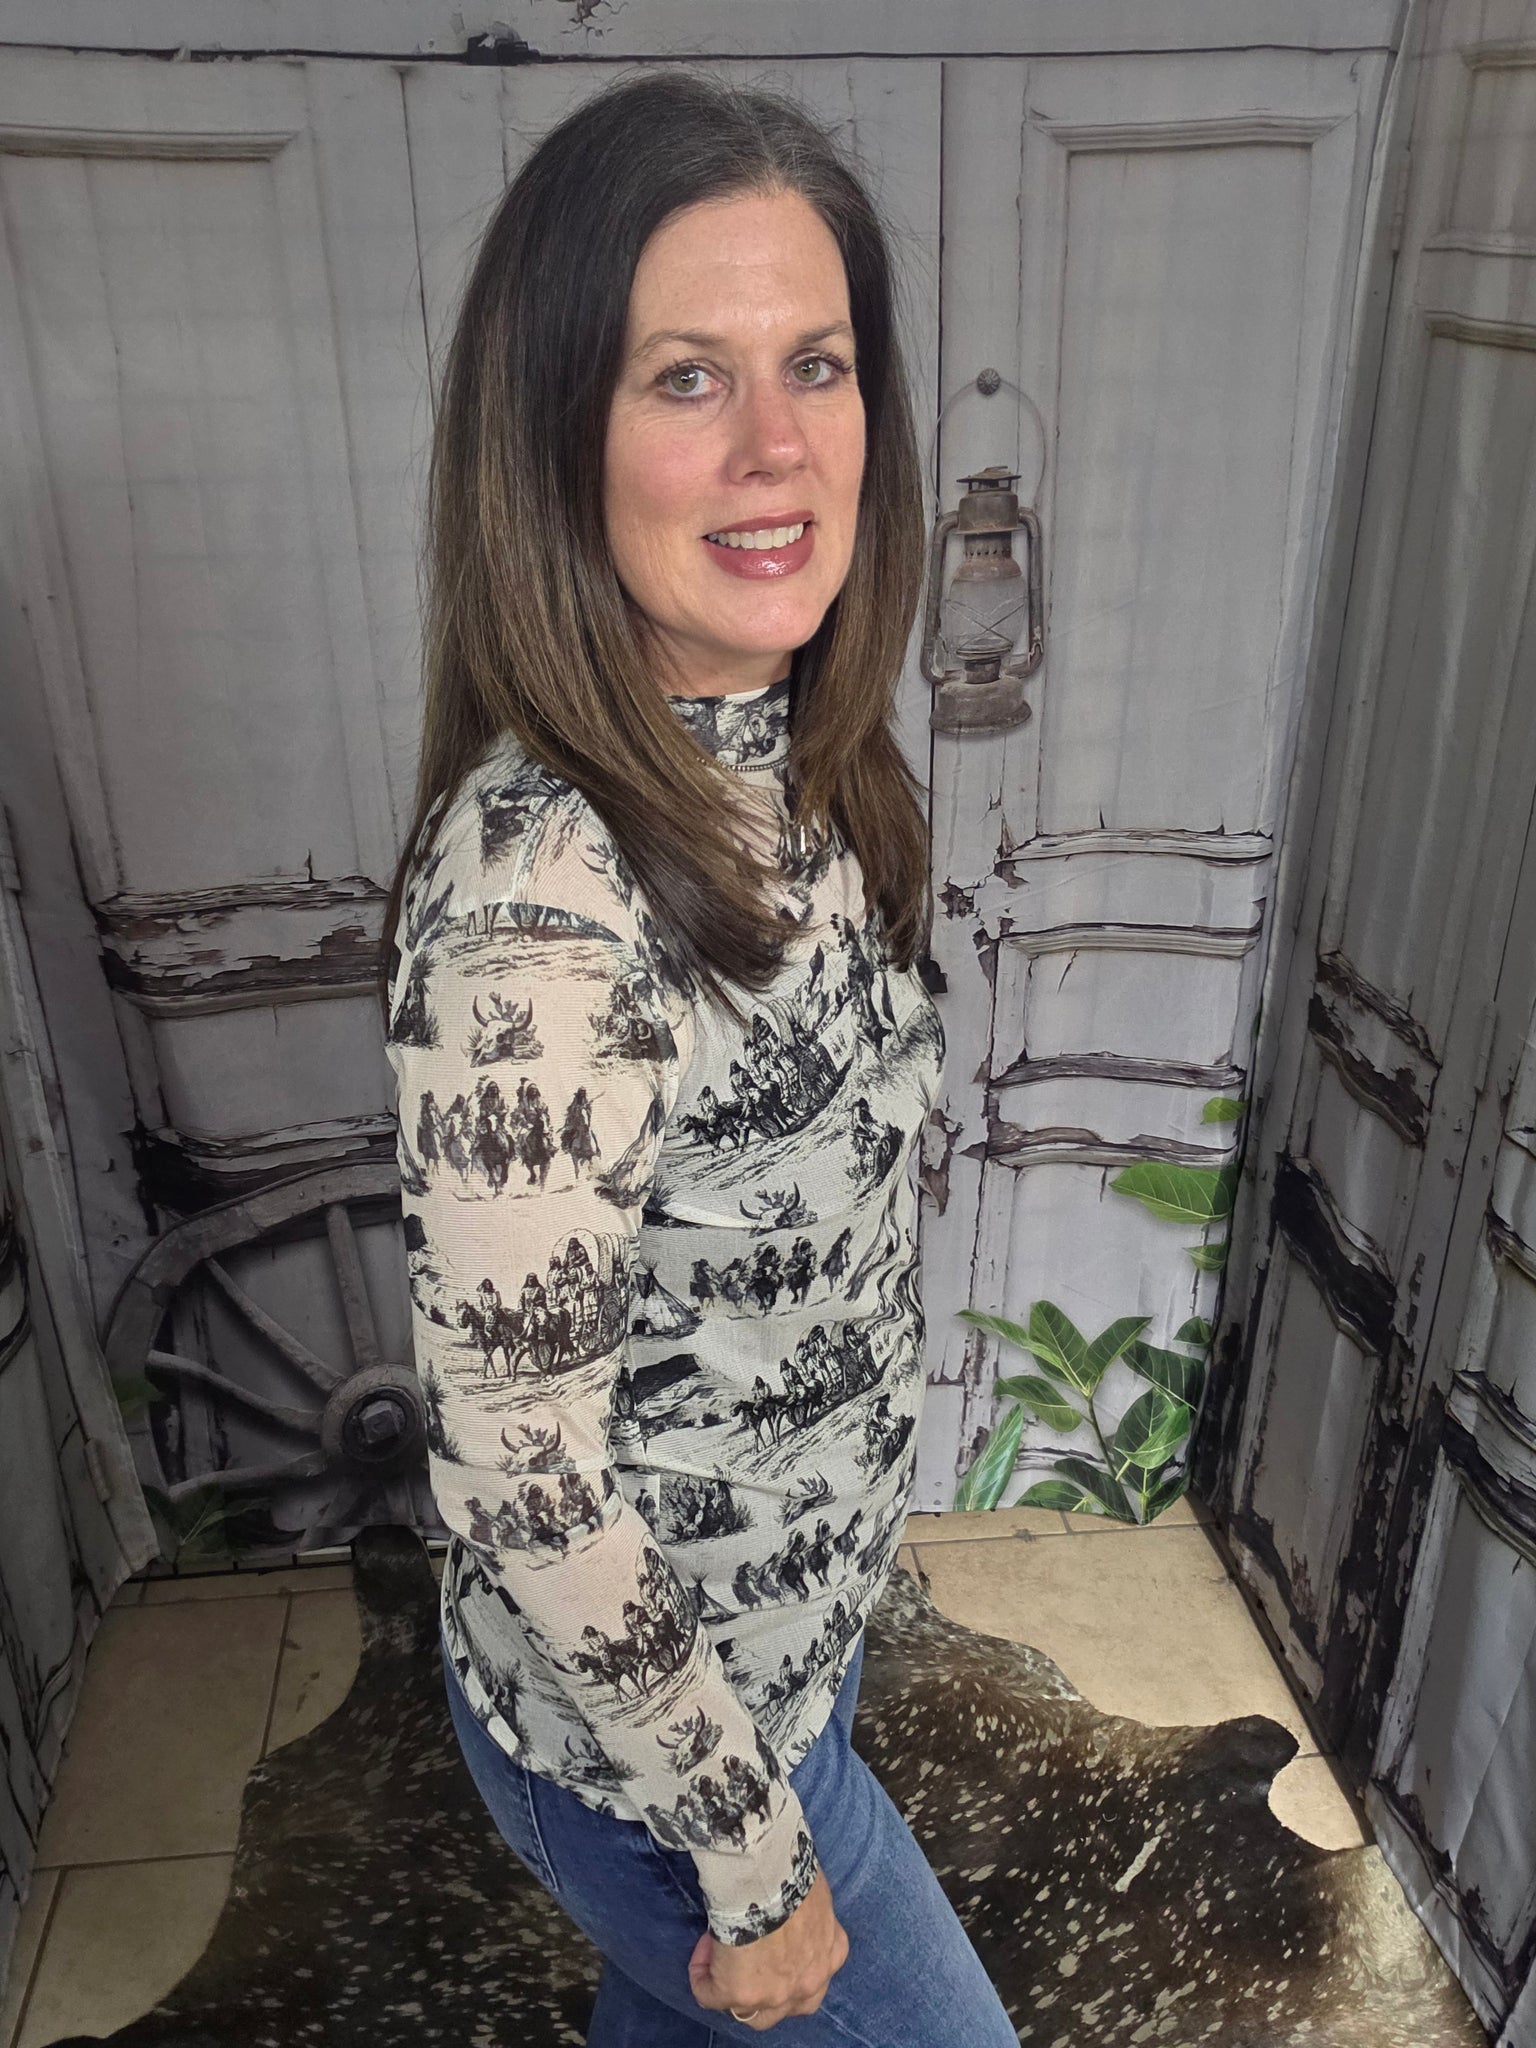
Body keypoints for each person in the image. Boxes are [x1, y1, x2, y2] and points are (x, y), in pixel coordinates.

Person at [380, 69, 1014, 2046]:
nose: (776, 446)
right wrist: (750, 1855)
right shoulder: (545, 905)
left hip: (779, 1656)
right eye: (685, 379)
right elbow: (520, 1462)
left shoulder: (797, 758)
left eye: (816, 364)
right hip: (673, 1762)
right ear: (552, 439)